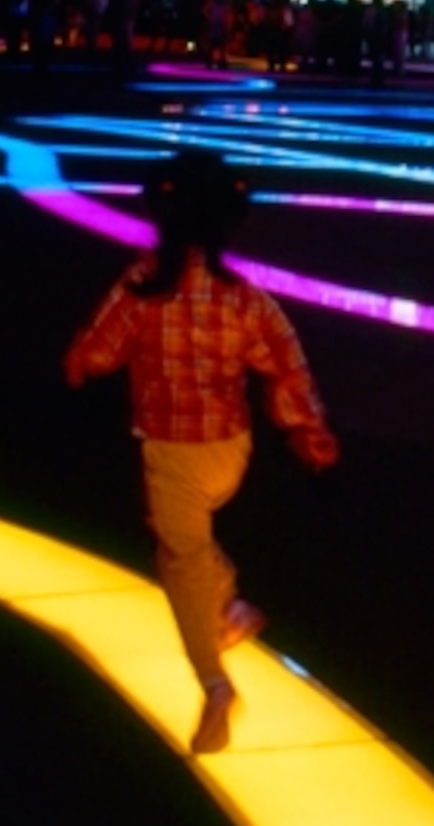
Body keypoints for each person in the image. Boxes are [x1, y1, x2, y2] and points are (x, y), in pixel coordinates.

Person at [64, 151, 340, 754]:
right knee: (180, 541)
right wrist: (308, 432)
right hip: (229, 451)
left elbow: (101, 351)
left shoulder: (140, 287)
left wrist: (81, 361)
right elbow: (286, 364)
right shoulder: (244, 299)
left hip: (171, 449)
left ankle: (214, 681)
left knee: (180, 557)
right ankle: (228, 608)